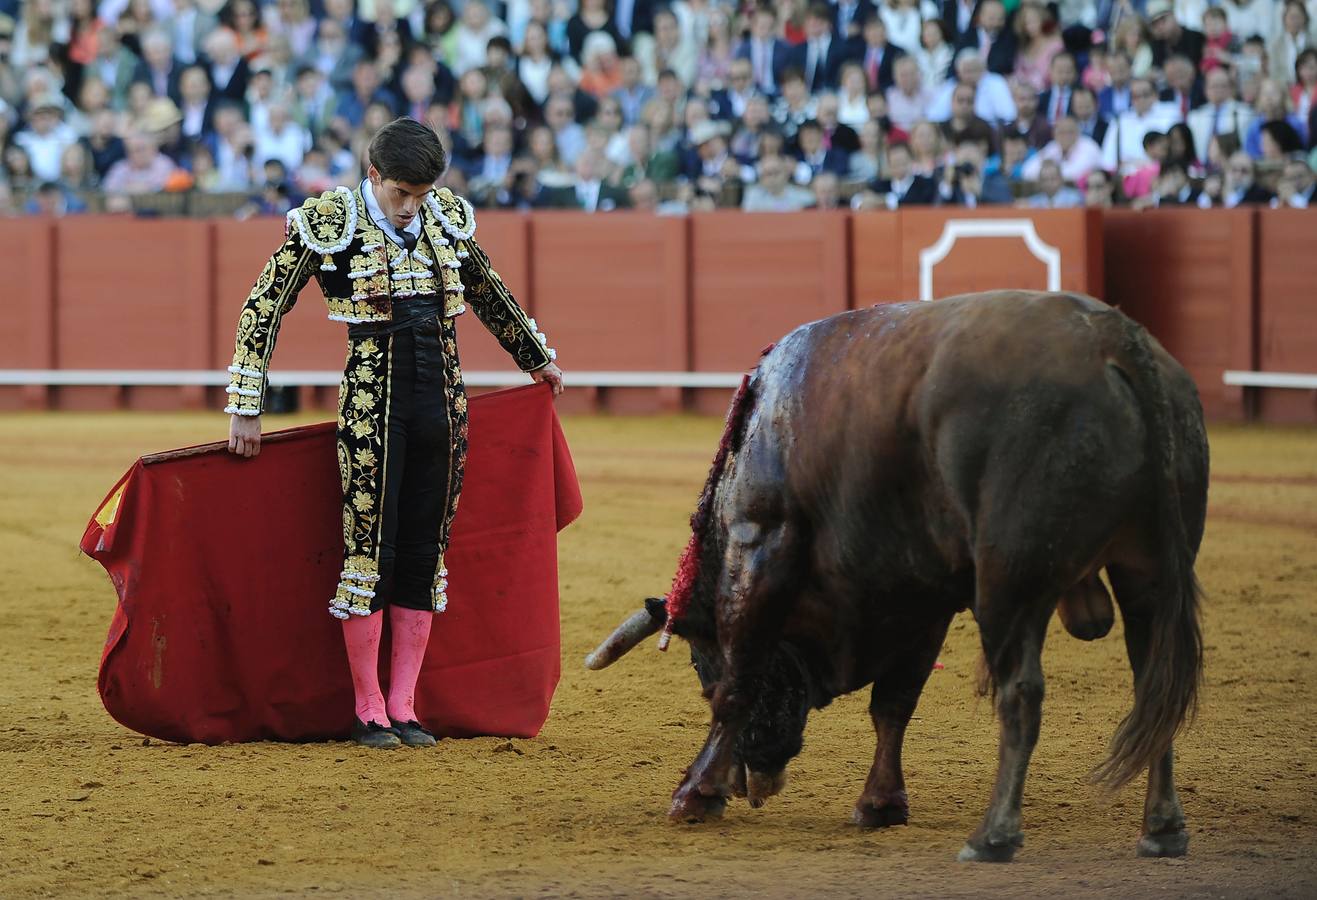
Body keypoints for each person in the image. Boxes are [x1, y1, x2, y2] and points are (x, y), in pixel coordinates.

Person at [223, 118, 564, 749]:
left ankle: (404, 704)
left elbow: (488, 293)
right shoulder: (329, 221)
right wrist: (247, 403)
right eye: (403, 193)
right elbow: (264, 303)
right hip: (371, 404)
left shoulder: (444, 217)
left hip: (443, 404)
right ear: (373, 175)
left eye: (423, 194)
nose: (414, 207)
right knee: (367, 549)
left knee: (423, 549)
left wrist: (535, 358)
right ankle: (367, 705)